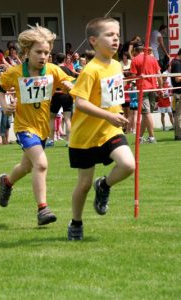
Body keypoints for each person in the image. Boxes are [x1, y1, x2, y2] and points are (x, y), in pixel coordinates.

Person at [0, 24, 74, 226]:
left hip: (42, 129)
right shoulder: (14, 73)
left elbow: (69, 83)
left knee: (25, 166)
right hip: (24, 128)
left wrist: (68, 86)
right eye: (38, 52)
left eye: (47, 52)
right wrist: (5, 106)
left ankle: (6, 182)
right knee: (41, 164)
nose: (43, 56)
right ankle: (42, 209)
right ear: (26, 52)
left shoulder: (53, 70)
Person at [67, 17, 135, 240]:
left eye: (117, 34)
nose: (115, 38)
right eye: (109, 35)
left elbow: (112, 98)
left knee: (128, 165)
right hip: (84, 137)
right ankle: (76, 222)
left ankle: (104, 186)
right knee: (84, 185)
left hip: (110, 131)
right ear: (94, 41)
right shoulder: (90, 70)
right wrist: (108, 115)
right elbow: (81, 103)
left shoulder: (116, 66)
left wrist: (119, 115)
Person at [130, 43, 163, 143]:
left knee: (146, 113)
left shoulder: (135, 60)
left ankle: (152, 137)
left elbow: (133, 77)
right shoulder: (152, 59)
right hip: (153, 88)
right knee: (146, 114)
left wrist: (132, 86)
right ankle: (139, 138)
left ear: (135, 51)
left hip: (142, 89)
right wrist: (160, 88)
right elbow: (159, 75)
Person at [46, 52, 75, 147]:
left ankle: (50, 140)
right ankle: (69, 141)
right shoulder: (68, 69)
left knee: (52, 118)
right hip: (66, 95)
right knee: (67, 119)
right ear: (64, 60)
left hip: (55, 95)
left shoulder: (53, 69)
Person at [170, 48, 181, 140]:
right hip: (178, 93)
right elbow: (178, 78)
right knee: (178, 115)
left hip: (177, 93)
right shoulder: (177, 64)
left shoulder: (175, 62)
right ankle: (179, 135)